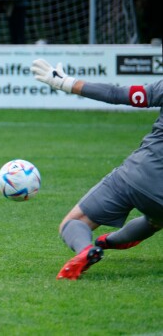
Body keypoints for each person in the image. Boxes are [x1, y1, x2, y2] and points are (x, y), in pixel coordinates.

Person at [31, 59, 163, 280]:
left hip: (136, 175)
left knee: (74, 222)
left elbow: (116, 94)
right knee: (156, 219)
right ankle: (107, 241)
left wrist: (65, 82)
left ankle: (86, 249)